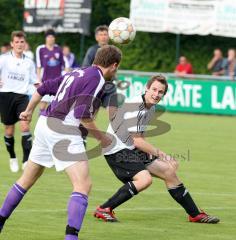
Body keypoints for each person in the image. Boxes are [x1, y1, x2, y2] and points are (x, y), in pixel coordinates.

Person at [0, 45, 122, 240]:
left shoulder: (77, 71)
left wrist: (29, 111)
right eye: (117, 68)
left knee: (26, 180)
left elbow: (44, 88)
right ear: (114, 65)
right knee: (83, 185)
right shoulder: (97, 78)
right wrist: (102, 138)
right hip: (63, 130)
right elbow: (83, 116)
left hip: (44, 124)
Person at [94, 75, 220, 224]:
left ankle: (195, 214)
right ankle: (104, 208)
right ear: (146, 89)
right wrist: (164, 156)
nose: (156, 94)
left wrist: (154, 156)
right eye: (154, 89)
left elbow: (140, 136)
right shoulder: (136, 106)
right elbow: (137, 140)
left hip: (130, 147)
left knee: (168, 171)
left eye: (160, 92)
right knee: (145, 179)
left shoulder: (151, 107)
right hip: (116, 150)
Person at [0, 31, 37, 172]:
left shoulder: (29, 62)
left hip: (22, 97)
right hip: (5, 96)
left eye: (22, 42)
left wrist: (43, 87)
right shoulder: (3, 59)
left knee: (25, 126)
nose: (20, 44)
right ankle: (12, 157)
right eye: (17, 42)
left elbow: (34, 81)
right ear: (12, 44)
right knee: (9, 130)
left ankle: (26, 160)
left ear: (25, 43)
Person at [36, 29, 69, 112]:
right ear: (46, 38)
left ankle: (51, 123)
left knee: (55, 106)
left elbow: (65, 65)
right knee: (42, 106)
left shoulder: (58, 49)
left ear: (54, 38)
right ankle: (41, 122)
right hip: (45, 81)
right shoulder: (40, 49)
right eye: (49, 37)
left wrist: (66, 77)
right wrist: (39, 80)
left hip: (57, 82)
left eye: (52, 37)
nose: (50, 39)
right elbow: (39, 66)